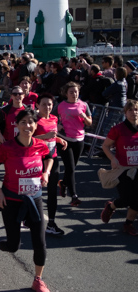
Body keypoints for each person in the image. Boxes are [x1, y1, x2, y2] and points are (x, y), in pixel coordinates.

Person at [0, 109, 53, 292]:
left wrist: (46, 172)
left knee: (40, 241)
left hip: (34, 199)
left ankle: (38, 280)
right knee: (13, 245)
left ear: (35, 125)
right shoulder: (7, 147)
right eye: (23, 122)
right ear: (17, 125)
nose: (27, 126)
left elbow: (49, 158)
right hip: (12, 199)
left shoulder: (41, 145)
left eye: (31, 122)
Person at [100, 99, 138, 236]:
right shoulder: (118, 129)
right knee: (126, 199)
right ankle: (111, 206)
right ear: (125, 113)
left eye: (136, 110)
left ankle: (128, 224)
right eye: (130, 110)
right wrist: (113, 158)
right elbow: (105, 146)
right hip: (123, 169)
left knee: (137, 200)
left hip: (137, 168)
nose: (134, 113)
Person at [34, 94, 67, 236]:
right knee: (34, 191)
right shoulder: (34, 119)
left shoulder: (54, 118)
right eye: (44, 104)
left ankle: (51, 223)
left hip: (52, 159)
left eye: (49, 104)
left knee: (52, 192)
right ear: (37, 105)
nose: (47, 107)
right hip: (36, 160)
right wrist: (44, 137)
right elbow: (28, 139)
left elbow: (51, 136)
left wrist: (58, 140)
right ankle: (28, 217)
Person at [57, 82, 92, 207]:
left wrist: (84, 117)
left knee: (71, 168)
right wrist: (57, 125)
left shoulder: (84, 105)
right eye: (71, 92)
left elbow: (89, 123)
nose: (74, 94)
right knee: (70, 168)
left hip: (79, 139)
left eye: (76, 91)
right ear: (66, 93)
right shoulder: (61, 105)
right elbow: (50, 117)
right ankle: (74, 196)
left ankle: (63, 183)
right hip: (64, 139)